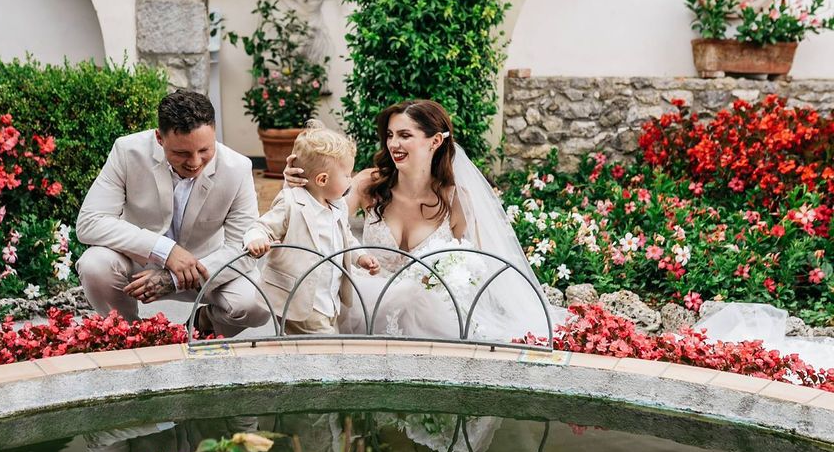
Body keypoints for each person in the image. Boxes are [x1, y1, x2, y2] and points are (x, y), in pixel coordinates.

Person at [286, 100, 555, 343]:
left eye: (405, 135)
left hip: (430, 319)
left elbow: (475, 267)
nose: (393, 144)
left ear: (435, 141)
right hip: (362, 306)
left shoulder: (456, 199)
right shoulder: (369, 184)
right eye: (390, 135)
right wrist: (303, 183)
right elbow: (315, 220)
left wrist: (442, 278)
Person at [75, 90, 270, 337]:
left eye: (205, 150)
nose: (195, 162)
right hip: (139, 264)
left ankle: (203, 322)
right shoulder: (127, 151)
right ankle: (130, 335)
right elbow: (90, 222)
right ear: (159, 138)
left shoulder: (238, 168)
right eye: (182, 153)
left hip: (206, 267)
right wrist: (165, 250)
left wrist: (173, 278)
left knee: (256, 304)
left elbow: (241, 250)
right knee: (94, 264)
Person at [243, 121, 380, 335]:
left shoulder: (338, 205)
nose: (351, 180)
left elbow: (346, 239)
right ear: (322, 179)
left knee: (311, 352)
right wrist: (256, 239)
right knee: (324, 349)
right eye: (346, 175)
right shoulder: (291, 202)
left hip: (329, 299)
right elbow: (262, 226)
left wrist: (360, 256)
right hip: (300, 300)